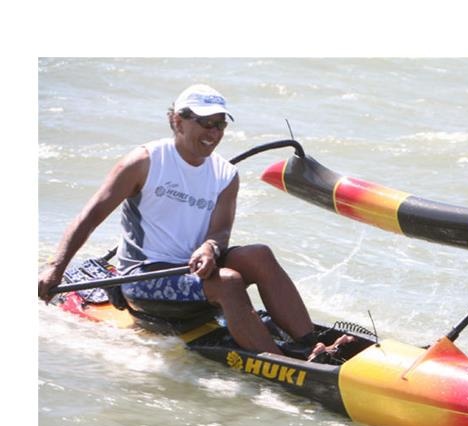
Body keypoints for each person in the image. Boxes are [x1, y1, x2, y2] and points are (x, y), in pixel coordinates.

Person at [39, 83, 350, 358]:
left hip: (193, 271)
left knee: (259, 255)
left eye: (220, 124)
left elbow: (220, 232)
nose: (214, 133)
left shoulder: (225, 175)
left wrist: (209, 248)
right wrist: (56, 267)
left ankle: (310, 344)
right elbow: (90, 216)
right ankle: (282, 363)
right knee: (228, 282)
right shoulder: (144, 162)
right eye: (205, 123)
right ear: (178, 121)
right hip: (142, 278)